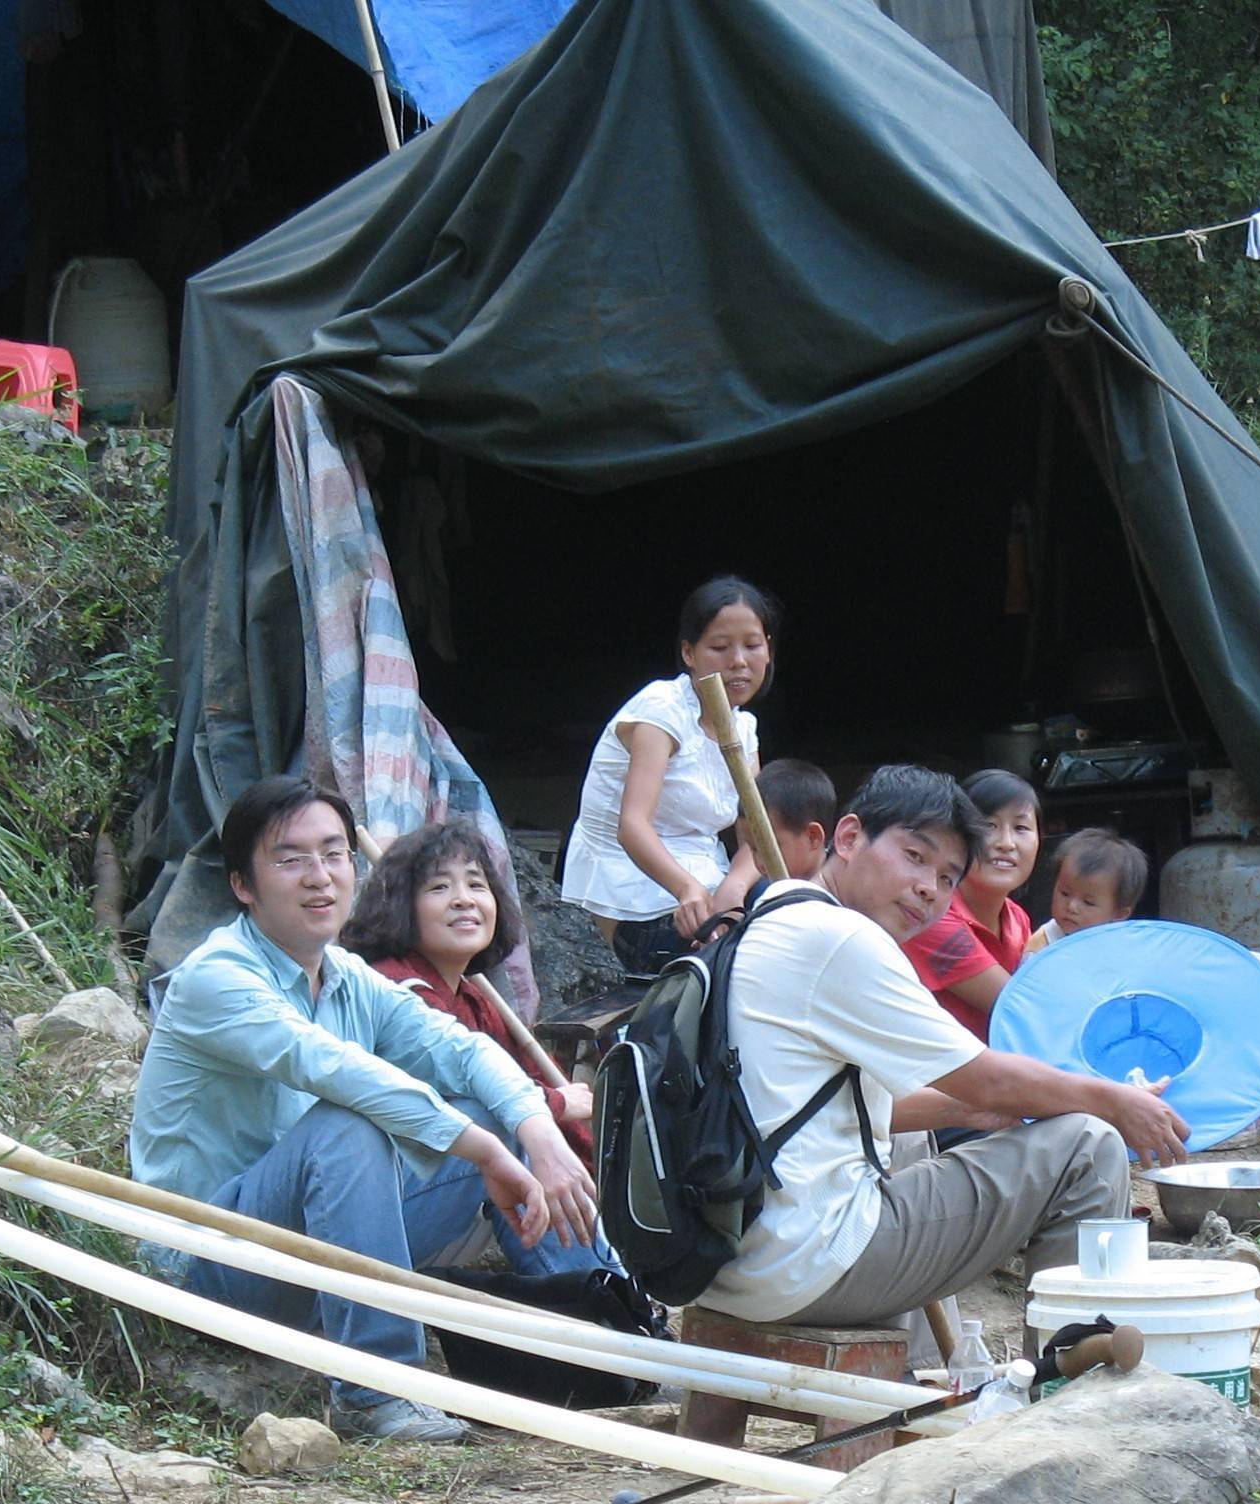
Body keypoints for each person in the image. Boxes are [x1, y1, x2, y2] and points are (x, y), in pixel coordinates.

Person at [132, 777, 601, 1445]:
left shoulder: (348, 976)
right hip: (214, 1259)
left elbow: (462, 1050)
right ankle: (377, 1393)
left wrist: (536, 1132)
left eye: (333, 854)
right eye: (291, 859)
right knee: (346, 1125)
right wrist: (487, 1153)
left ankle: (604, 1332)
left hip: (315, 1245)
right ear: (243, 885)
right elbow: (338, 1071)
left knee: (499, 1107)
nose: (320, 877)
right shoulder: (219, 976)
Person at [700, 764, 1189, 1333]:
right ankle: (1065, 1388)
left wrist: (965, 1108)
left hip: (732, 1260)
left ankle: (926, 1381)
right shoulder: (844, 940)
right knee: (1087, 1145)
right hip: (804, 1262)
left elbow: (849, 1103)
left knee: (907, 1144)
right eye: (915, 856)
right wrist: (1112, 1101)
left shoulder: (772, 912)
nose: (930, 887)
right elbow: (987, 1078)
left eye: (949, 876)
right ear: (850, 837)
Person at [339, 817, 597, 1166]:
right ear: (401, 907)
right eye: (439, 888)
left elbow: (523, 1075)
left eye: (476, 885)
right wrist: (558, 1103)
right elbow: (472, 1097)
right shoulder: (396, 988)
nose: (464, 900)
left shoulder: (471, 995)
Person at [559, 576, 779, 978]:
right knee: (738, 962)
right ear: (689, 653)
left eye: (752, 645)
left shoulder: (743, 728)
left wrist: (732, 887)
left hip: (706, 880)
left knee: (791, 917)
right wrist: (687, 889)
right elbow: (632, 826)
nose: (739, 661)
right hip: (633, 891)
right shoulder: (660, 712)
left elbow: (756, 834)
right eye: (719, 647)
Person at [901, 768, 1040, 1036]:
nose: (1006, 843)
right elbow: (1019, 1008)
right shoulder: (930, 913)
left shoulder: (1017, 917)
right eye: (989, 826)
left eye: (1021, 828)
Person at [1027, 827, 1149, 953]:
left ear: (1119, 913)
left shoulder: (1123, 947)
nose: (1071, 907)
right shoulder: (1040, 948)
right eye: (1065, 893)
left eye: (1088, 902)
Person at [756, 758, 836, 882]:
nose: (759, 862)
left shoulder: (843, 892)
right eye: (753, 849)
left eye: (770, 847)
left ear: (812, 837)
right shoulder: (765, 891)